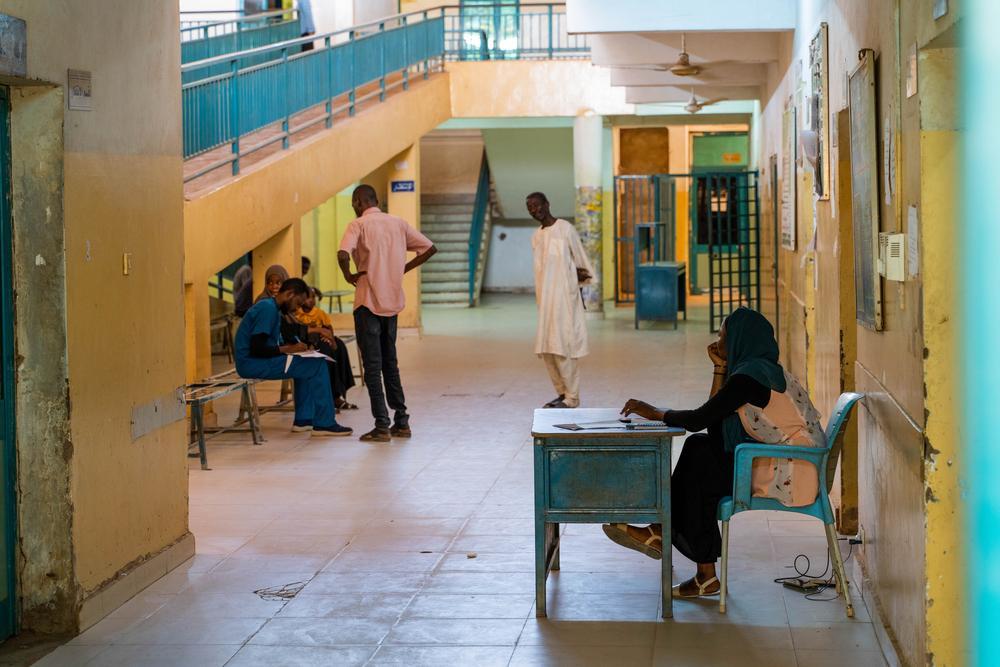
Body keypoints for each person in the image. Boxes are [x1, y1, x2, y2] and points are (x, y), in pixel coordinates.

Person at [604, 307, 824, 598]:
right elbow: (715, 423)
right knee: (700, 452)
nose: (718, 342)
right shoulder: (761, 369)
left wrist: (654, 412)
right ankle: (677, 550)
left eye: (723, 336)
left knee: (701, 464)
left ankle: (669, 540)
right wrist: (720, 367)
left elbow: (700, 419)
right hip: (786, 461)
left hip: (793, 471)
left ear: (739, 340)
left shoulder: (749, 378)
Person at [338, 184, 437, 442]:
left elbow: (342, 253)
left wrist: (348, 274)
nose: (354, 208)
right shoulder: (398, 223)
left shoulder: (357, 225)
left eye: (353, 203)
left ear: (359, 202)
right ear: (377, 200)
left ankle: (381, 425)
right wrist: (402, 268)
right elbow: (429, 248)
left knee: (372, 366)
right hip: (391, 302)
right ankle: (401, 421)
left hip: (367, 302)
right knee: (389, 363)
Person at [234, 277, 352, 437]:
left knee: (307, 362)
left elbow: (290, 330)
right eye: (298, 302)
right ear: (290, 294)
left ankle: (303, 420)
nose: (298, 307)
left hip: (256, 361)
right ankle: (324, 423)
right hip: (252, 363)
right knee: (317, 365)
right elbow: (257, 348)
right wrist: (289, 349)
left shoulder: (272, 308)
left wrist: (302, 345)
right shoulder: (267, 309)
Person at [526, 192, 594, 409]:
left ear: (547, 204)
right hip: (545, 302)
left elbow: (582, 262)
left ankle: (572, 397)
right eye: (530, 208)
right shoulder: (536, 236)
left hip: (565, 300)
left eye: (537, 205)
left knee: (563, 348)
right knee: (547, 350)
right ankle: (562, 392)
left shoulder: (565, 228)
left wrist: (581, 279)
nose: (535, 210)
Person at [296, 287, 358, 411]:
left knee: (339, 346)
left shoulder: (319, 313)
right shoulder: (297, 314)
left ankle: (337, 393)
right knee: (325, 351)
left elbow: (328, 328)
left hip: (322, 339)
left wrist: (331, 340)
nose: (311, 300)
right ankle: (328, 397)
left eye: (313, 297)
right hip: (306, 344)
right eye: (308, 297)